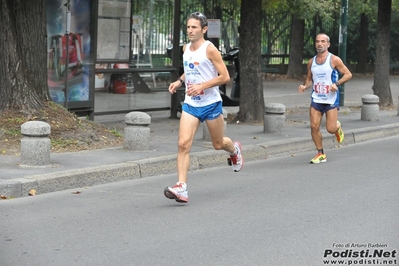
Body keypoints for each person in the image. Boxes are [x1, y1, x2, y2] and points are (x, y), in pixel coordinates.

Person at [164, 12, 244, 203]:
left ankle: (234, 151)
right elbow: (190, 70)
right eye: (188, 27)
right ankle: (181, 187)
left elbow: (225, 77)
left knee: (218, 144)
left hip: (210, 104)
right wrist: (179, 81)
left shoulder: (210, 50)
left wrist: (202, 86)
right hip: (192, 105)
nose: (190, 31)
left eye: (194, 27)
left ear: (204, 29)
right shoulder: (186, 48)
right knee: (183, 144)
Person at [298, 33, 352, 164]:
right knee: (314, 126)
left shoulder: (334, 60)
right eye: (317, 41)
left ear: (328, 44)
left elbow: (348, 74)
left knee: (330, 129)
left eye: (323, 41)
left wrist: (336, 84)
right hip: (316, 99)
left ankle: (337, 127)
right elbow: (310, 79)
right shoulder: (311, 62)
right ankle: (320, 153)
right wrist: (305, 86)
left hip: (331, 99)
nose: (320, 44)